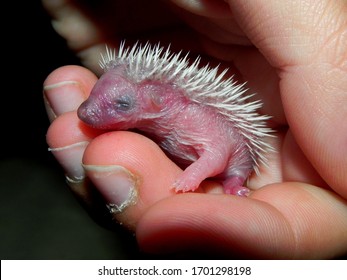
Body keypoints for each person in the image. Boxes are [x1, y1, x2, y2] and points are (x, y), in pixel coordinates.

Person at [42, 0, 347, 258]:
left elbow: (217, 152)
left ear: (159, 99)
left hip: (226, 160)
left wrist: (194, 175)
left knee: (229, 172)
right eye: (98, 96)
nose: (89, 111)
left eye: (120, 105)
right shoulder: (152, 105)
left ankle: (232, 182)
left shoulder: (194, 117)